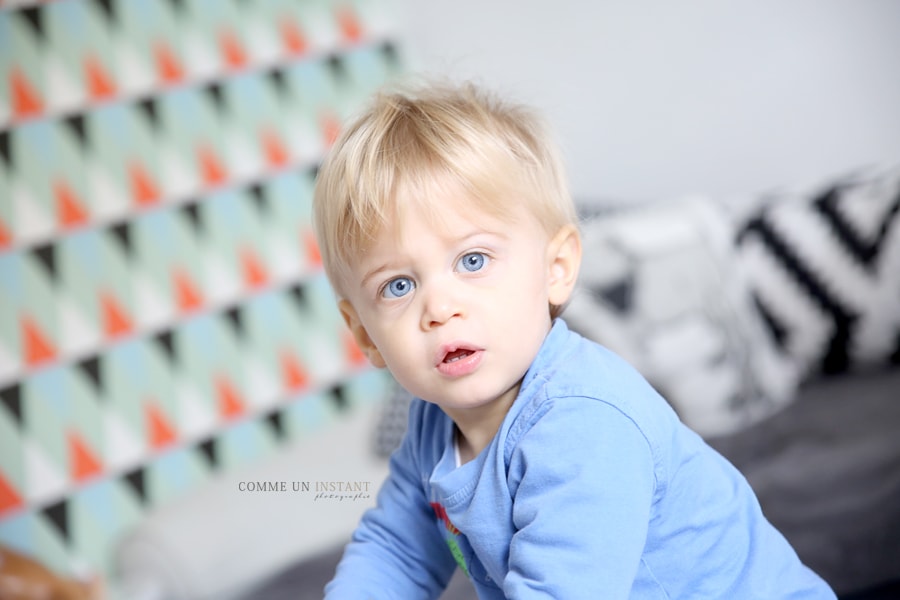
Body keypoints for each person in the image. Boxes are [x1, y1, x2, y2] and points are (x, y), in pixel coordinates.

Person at [312, 80, 835, 599]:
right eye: (398, 286)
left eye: (472, 260)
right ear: (365, 336)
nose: (440, 308)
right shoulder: (431, 429)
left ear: (556, 268)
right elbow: (395, 550)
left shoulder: (582, 423)